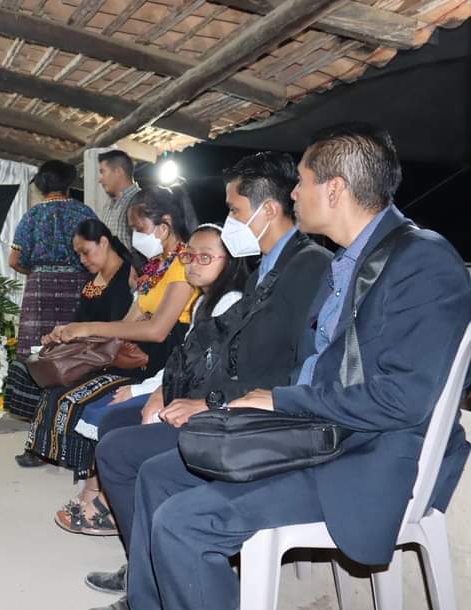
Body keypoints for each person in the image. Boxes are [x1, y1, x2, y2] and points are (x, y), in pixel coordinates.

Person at [119, 124, 471, 610]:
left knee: (186, 523)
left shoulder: (422, 262)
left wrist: (280, 400)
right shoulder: (347, 262)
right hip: (316, 434)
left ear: (335, 189)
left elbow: (403, 399)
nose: (295, 193)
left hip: (365, 457)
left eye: (302, 182)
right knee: (161, 474)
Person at [85, 153, 332, 591]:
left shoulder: (307, 267)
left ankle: (151, 579)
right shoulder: (269, 266)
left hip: (255, 418)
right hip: (227, 401)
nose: (230, 221)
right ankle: (147, 570)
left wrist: (209, 404)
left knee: (123, 453)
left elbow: (289, 367)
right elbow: (215, 341)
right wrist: (166, 390)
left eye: (235, 211)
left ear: (267, 210)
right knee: (119, 429)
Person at [18, 186, 199, 533]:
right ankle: (96, 493)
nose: (133, 237)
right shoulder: (157, 267)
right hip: (138, 358)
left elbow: (159, 330)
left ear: (164, 225)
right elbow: (130, 323)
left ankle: (101, 498)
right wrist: (76, 332)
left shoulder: (183, 266)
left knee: (102, 407)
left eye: (138, 228)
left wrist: (84, 328)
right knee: (72, 392)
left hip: (165, 365)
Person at [4, 219, 134, 422]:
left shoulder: (129, 275)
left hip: (107, 355)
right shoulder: (92, 280)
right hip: (85, 350)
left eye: (85, 252)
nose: (82, 259)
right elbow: (79, 321)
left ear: (103, 242)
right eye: (78, 254)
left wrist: (80, 332)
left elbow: (122, 327)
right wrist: (59, 336)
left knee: (53, 387)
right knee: (22, 367)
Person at [10, 160, 99, 355]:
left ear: (42, 186)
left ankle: (29, 384)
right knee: (75, 346)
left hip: (40, 288)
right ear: (68, 184)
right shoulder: (84, 212)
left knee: (35, 351)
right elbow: (99, 254)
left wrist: (36, 272)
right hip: (78, 287)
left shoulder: (31, 215)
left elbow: (14, 260)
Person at [96, 150, 141, 250]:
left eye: (103, 172)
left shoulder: (142, 201)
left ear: (118, 172)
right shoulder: (108, 206)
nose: (100, 179)